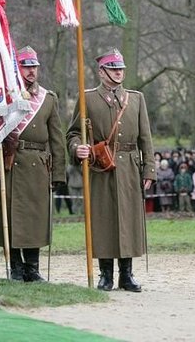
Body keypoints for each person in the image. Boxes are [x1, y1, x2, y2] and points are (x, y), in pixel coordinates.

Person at [67, 48, 156, 293]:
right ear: (102, 71)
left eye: (121, 69)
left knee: (128, 220)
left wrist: (149, 170)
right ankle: (105, 274)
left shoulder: (136, 99)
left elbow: (146, 138)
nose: (118, 73)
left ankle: (126, 275)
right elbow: (73, 133)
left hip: (129, 167)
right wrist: (78, 149)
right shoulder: (88, 98)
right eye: (114, 69)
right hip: (100, 167)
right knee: (104, 220)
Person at [0, 45, 66, 282]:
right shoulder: (5, 96)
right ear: (16, 69)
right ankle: (16, 267)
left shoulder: (48, 99)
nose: (31, 71)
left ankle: (32, 267)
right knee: (9, 216)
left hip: (37, 166)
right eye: (26, 67)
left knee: (34, 219)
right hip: (9, 162)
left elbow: (57, 138)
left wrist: (58, 173)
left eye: (34, 67)